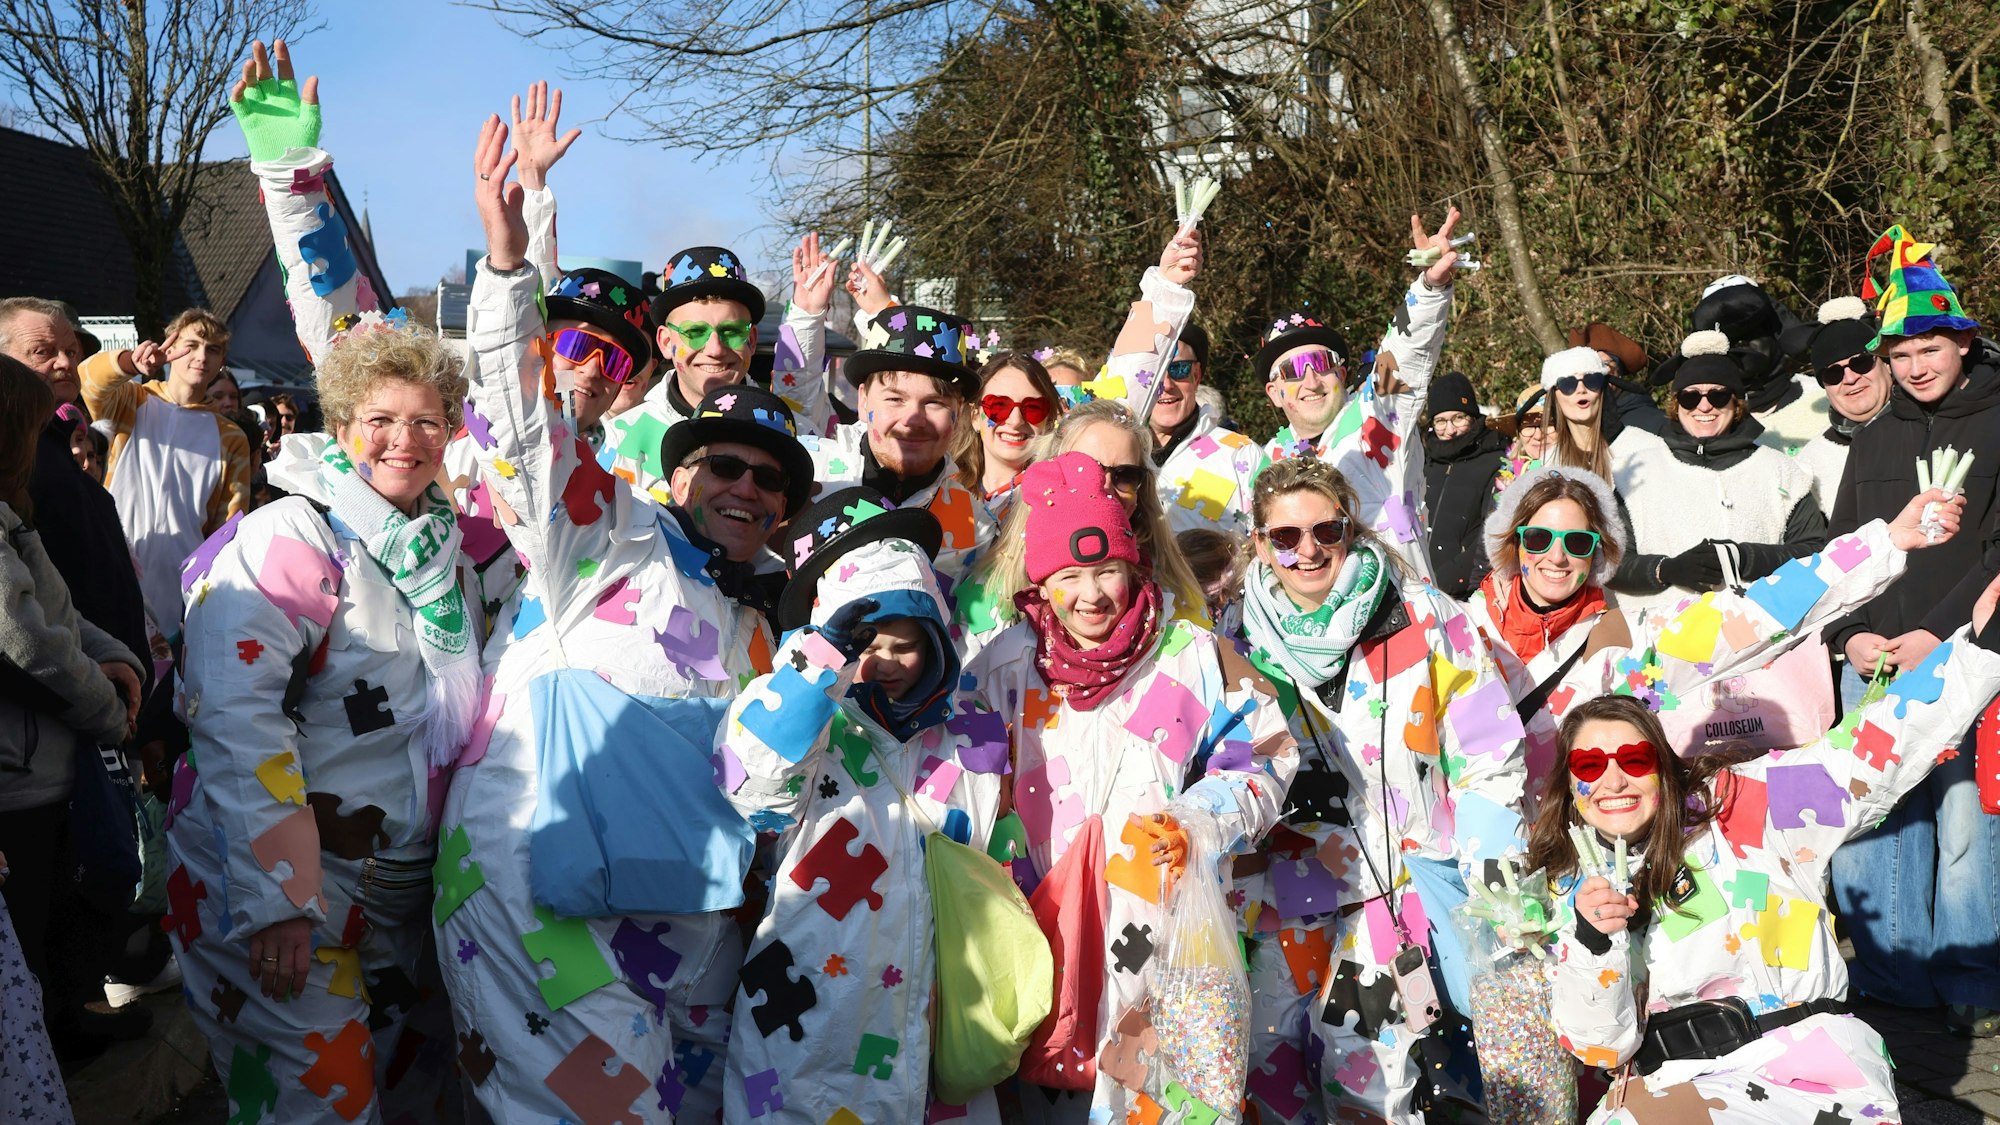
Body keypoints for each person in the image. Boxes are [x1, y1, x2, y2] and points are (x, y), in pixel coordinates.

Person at [442, 96, 829, 1123]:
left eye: (768, 479)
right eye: (723, 467)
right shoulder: (608, 538)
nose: (745, 488)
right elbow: (524, 429)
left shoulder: (763, 622)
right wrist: (508, 266)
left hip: (678, 921)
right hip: (538, 901)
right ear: (681, 472)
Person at [1535, 568, 2000, 1122]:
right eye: (1590, 764)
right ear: (1570, 783)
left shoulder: (1741, 805)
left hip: (1807, 1072)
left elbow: (1876, 751)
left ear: (1662, 765)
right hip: (1675, 1088)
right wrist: (1597, 943)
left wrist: (1981, 649)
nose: (1613, 781)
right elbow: (1600, 1048)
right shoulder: (1569, 885)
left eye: (1634, 760)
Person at [168, 310, 480, 1121]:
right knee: (321, 1104)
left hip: (394, 905)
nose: (403, 440)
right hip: (277, 901)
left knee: (401, 1094)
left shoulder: (450, 556)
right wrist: (277, 898)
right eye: (380, 419)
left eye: (426, 421)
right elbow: (235, 721)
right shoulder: (291, 539)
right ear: (341, 427)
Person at [963, 451, 1296, 1125]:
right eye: (1070, 575)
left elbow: (1266, 752)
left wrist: (1198, 817)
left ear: (1134, 566)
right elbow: (955, 778)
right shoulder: (1005, 664)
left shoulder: (1190, 654)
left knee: (1153, 1103)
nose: (1092, 594)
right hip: (1038, 934)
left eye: (1107, 570)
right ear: (1042, 581)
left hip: (1161, 932)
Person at [1227, 454, 1522, 1123]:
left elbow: (1489, 752)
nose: (1307, 551)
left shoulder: (1421, 615)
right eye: (1285, 537)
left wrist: (1494, 892)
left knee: (1365, 1071)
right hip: (1285, 896)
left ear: (1350, 529)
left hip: (1398, 892)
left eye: (1325, 532)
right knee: (1270, 1072)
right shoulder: (1236, 636)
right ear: (1260, 543)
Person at [719, 489, 1004, 1122]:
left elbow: (992, 854)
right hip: (809, 1021)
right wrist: (817, 666)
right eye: (867, 644)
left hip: (936, 1008)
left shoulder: (969, 735)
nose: (886, 662)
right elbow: (753, 792)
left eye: (906, 643)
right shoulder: (807, 722)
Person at [1826, 226, 2000, 1036]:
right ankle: (1894, 980)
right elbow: (1845, 547)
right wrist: (1852, 634)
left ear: (1963, 341)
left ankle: (1969, 979)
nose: (1916, 365)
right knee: (1878, 815)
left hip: (1967, 655)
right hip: (1880, 662)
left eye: (1930, 346)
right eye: (1899, 353)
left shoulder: (1999, 418)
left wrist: (1938, 633)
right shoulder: (1876, 437)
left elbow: (1997, 552)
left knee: (1966, 814)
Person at [0, 355, 147, 1062]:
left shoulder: (11, 516)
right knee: (30, 937)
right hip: (20, 777)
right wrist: (107, 707)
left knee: (63, 917)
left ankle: (65, 1032)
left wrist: (118, 653)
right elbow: (29, 646)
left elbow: (59, 611)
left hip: (44, 768)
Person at [1259, 213, 1463, 575]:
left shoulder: (1376, 412)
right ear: (1274, 393)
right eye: (1292, 371)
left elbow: (1405, 354)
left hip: (1406, 618)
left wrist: (1429, 288)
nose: (1310, 380)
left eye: (1320, 363)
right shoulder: (1265, 464)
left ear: (1340, 373)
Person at [958, 397, 1205, 647]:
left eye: (1125, 475)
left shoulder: (1175, 590)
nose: (1105, 488)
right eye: (1084, 469)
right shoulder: (990, 592)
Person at [1613, 331, 1825, 621]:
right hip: (1662, 646)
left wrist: (1747, 559)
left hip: (1763, 640)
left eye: (1718, 395)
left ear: (1736, 402)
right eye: (1690, 397)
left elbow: (1815, 551)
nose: (1704, 406)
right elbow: (1609, 562)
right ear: (1676, 404)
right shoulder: (1634, 474)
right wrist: (1666, 569)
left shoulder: (1782, 471)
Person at [78, 308, 256, 632]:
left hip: (180, 595)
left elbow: (228, 530)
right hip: (110, 568)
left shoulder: (231, 437)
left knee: (164, 681)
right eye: (191, 344)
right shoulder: (131, 400)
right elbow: (87, 380)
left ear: (222, 360)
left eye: (212, 349)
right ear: (170, 348)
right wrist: (131, 362)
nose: (201, 356)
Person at [805, 300, 998, 586]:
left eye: (934, 403)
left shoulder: (977, 528)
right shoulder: (805, 475)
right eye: (895, 399)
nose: (913, 419)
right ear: (862, 400)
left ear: (958, 412)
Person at [1685, 275, 1829, 456]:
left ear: (1773, 332)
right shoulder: (1705, 422)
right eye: (1728, 341)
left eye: (1751, 333)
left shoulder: (1823, 401)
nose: (1740, 348)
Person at [1782, 296, 1891, 512]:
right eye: (1833, 373)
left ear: (1886, 363)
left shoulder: (1928, 425)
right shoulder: (1811, 464)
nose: (1850, 379)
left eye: (1860, 363)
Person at [1422, 370, 1507, 599]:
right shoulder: (1423, 461)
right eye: (1440, 421)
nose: (1449, 430)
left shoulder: (1495, 460)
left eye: (1458, 418)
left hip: (1465, 590)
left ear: (1472, 416)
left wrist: (1444, 581)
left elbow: (1491, 531)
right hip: (1418, 584)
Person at [953, 349, 1061, 521]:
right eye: (999, 406)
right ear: (975, 417)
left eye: (1033, 408)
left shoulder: (1060, 501)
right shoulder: (941, 489)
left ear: (1049, 419)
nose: (1016, 420)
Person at [1569, 321, 1665, 435]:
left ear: (1618, 372)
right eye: (1586, 369)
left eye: (1604, 365)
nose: (1595, 374)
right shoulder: (1578, 424)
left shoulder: (1651, 422)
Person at [1493, 383, 1555, 496]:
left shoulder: (1577, 473)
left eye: (1547, 424)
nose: (1538, 436)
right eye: (1528, 426)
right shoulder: (1508, 476)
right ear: (1518, 433)